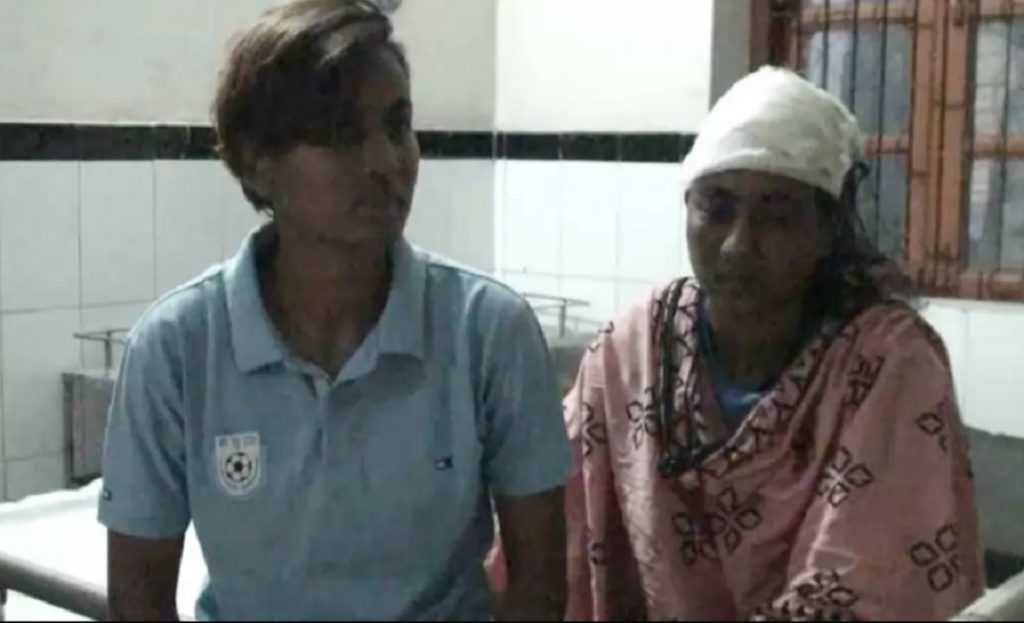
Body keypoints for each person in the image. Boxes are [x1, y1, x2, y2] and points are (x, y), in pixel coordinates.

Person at [98, 1, 570, 620]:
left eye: (398, 126)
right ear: (258, 163)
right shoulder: (177, 349)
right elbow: (139, 598)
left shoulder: (487, 332)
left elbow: (540, 583)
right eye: (342, 134)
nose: (387, 162)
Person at [555, 67, 984, 620]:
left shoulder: (887, 360)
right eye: (716, 209)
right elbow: (548, 510)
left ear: (827, 229)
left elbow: (871, 584)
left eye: (776, 217)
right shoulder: (634, 347)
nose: (737, 245)